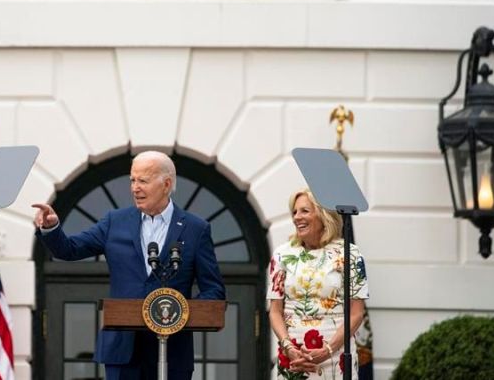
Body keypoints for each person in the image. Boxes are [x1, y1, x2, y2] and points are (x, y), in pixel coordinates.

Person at [32, 151, 225, 380]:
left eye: (143, 181)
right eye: (132, 180)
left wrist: (180, 312)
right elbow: (69, 249)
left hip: (173, 351)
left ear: (166, 184)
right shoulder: (115, 222)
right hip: (123, 351)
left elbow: (213, 289)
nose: (135, 188)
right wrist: (51, 228)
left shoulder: (195, 229)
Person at [268, 189, 369, 379]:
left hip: (336, 358)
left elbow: (356, 313)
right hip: (293, 360)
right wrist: (288, 347)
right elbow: (275, 311)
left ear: (323, 215)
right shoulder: (282, 254)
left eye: (305, 211)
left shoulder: (350, 254)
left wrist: (328, 350)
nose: (297, 217)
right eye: (295, 212)